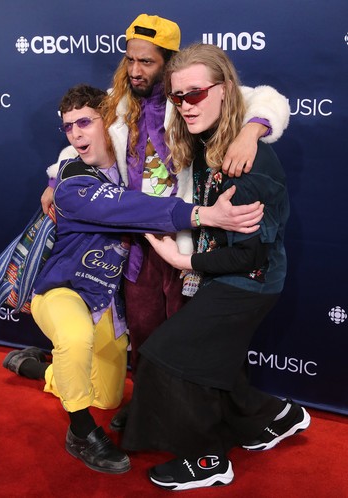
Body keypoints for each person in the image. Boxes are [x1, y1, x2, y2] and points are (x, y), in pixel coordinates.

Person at [40, 13, 290, 431]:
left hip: (190, 242)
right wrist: (55, 176)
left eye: (147, 62)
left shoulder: (187, 96)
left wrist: (252, 131)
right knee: (142, 329)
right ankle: (146, 408)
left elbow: (268, 99)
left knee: (185, 333)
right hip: (139, 244)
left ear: (169, 62)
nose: (135, 71)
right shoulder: (115, 103)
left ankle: (190, 419)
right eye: (130, 60)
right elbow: (84, 138)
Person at [3, 83, 265, 475]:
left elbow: (259, 99)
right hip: (62, 291)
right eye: (68, 127)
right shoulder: (72, 181)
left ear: (107, 121)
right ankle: (80, 432)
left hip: (104, 301)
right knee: (74, 341)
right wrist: (204, 214)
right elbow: (130, 207)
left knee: (107, 396)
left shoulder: (128, 166)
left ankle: (36, 368)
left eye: (84, 123)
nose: (75, 134)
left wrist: (252, 129)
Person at [121, 43, 310, 491]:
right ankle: (275, 416)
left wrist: (182, 260)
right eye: (177, 96)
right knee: (212, 362)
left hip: (247, 282)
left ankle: (207, 459)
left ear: (226, 92)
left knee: (168, 358)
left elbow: (250, 255)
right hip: (224, 274)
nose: (185, 106)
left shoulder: (246, 161)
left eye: (196, 94)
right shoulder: (206, 140)